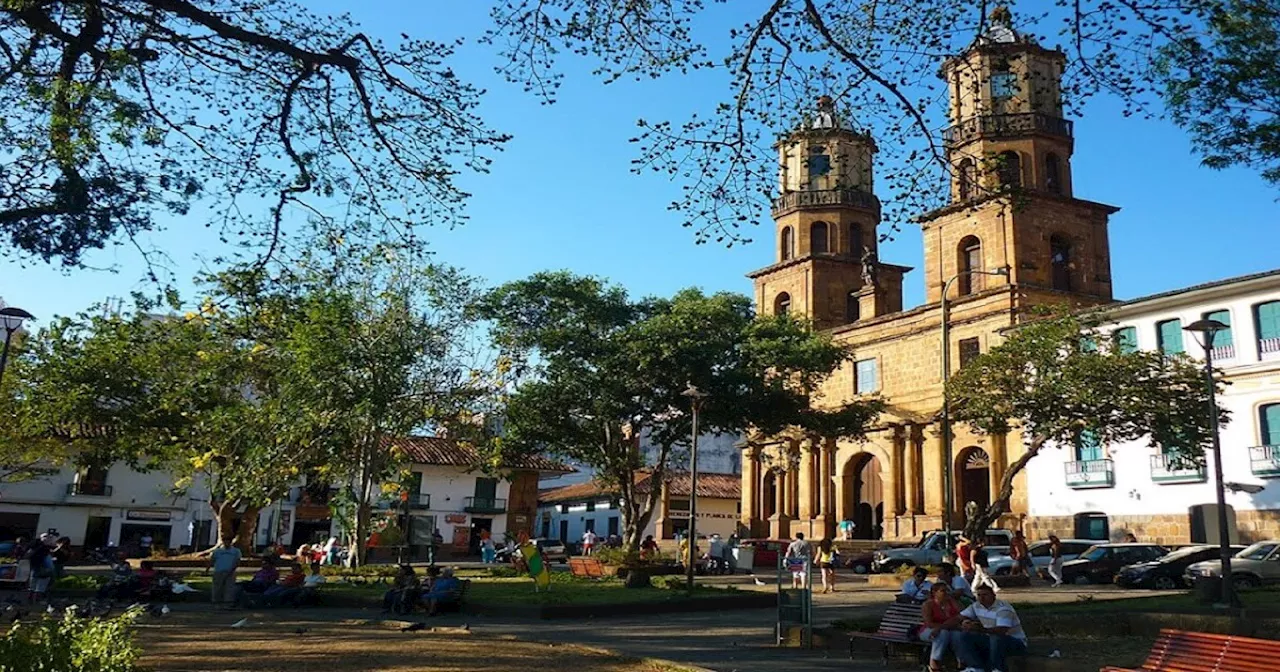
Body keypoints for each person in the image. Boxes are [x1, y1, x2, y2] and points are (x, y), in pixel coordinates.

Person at [946, 583, 1028, 672]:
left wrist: (980, 629)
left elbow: (1002, 630)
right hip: (990, 640)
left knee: (996, 638)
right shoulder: (976, 606)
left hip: (1014, 642)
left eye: (985, 595)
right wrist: (942, 627)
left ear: (993, 595)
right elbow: (958, 618)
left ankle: (997, 668)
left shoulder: (1003, 609)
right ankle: (975, 667)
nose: (981, 598)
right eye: (979, 595)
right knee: (961, 635)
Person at [920, 583, 963, 672]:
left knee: (957, 635)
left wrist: (945, 627)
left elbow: (962, 614)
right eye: (943, 591)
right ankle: (935, 663)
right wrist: (943, 627)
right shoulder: (928, 604)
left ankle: (962, 663)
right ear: (934, 592)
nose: (946, 593)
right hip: (929, 630)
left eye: (947, 590)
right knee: (942, 634)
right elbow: (929, 623)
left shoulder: (952, 602)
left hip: (951, 629)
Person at [209, 542, 242, 608]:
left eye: (228, 541)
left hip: (230, 571)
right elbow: (212, 560)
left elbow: (237, 561)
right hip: (218, 571)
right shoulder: (217, 551)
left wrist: (232, 569)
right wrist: (208, 568)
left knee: (229, 587)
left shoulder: (236, 551)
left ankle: (228, 603)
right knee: (217, 587)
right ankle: (216, 602)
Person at [25, 538, 55, 603]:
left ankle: (29, 600)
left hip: (34, 570)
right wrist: (51, 570)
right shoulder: (44, 552)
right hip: (44, 570)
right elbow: (49, 564)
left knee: (32, 587)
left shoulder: (31, 551)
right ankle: (37, 601)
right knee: (40, 587)